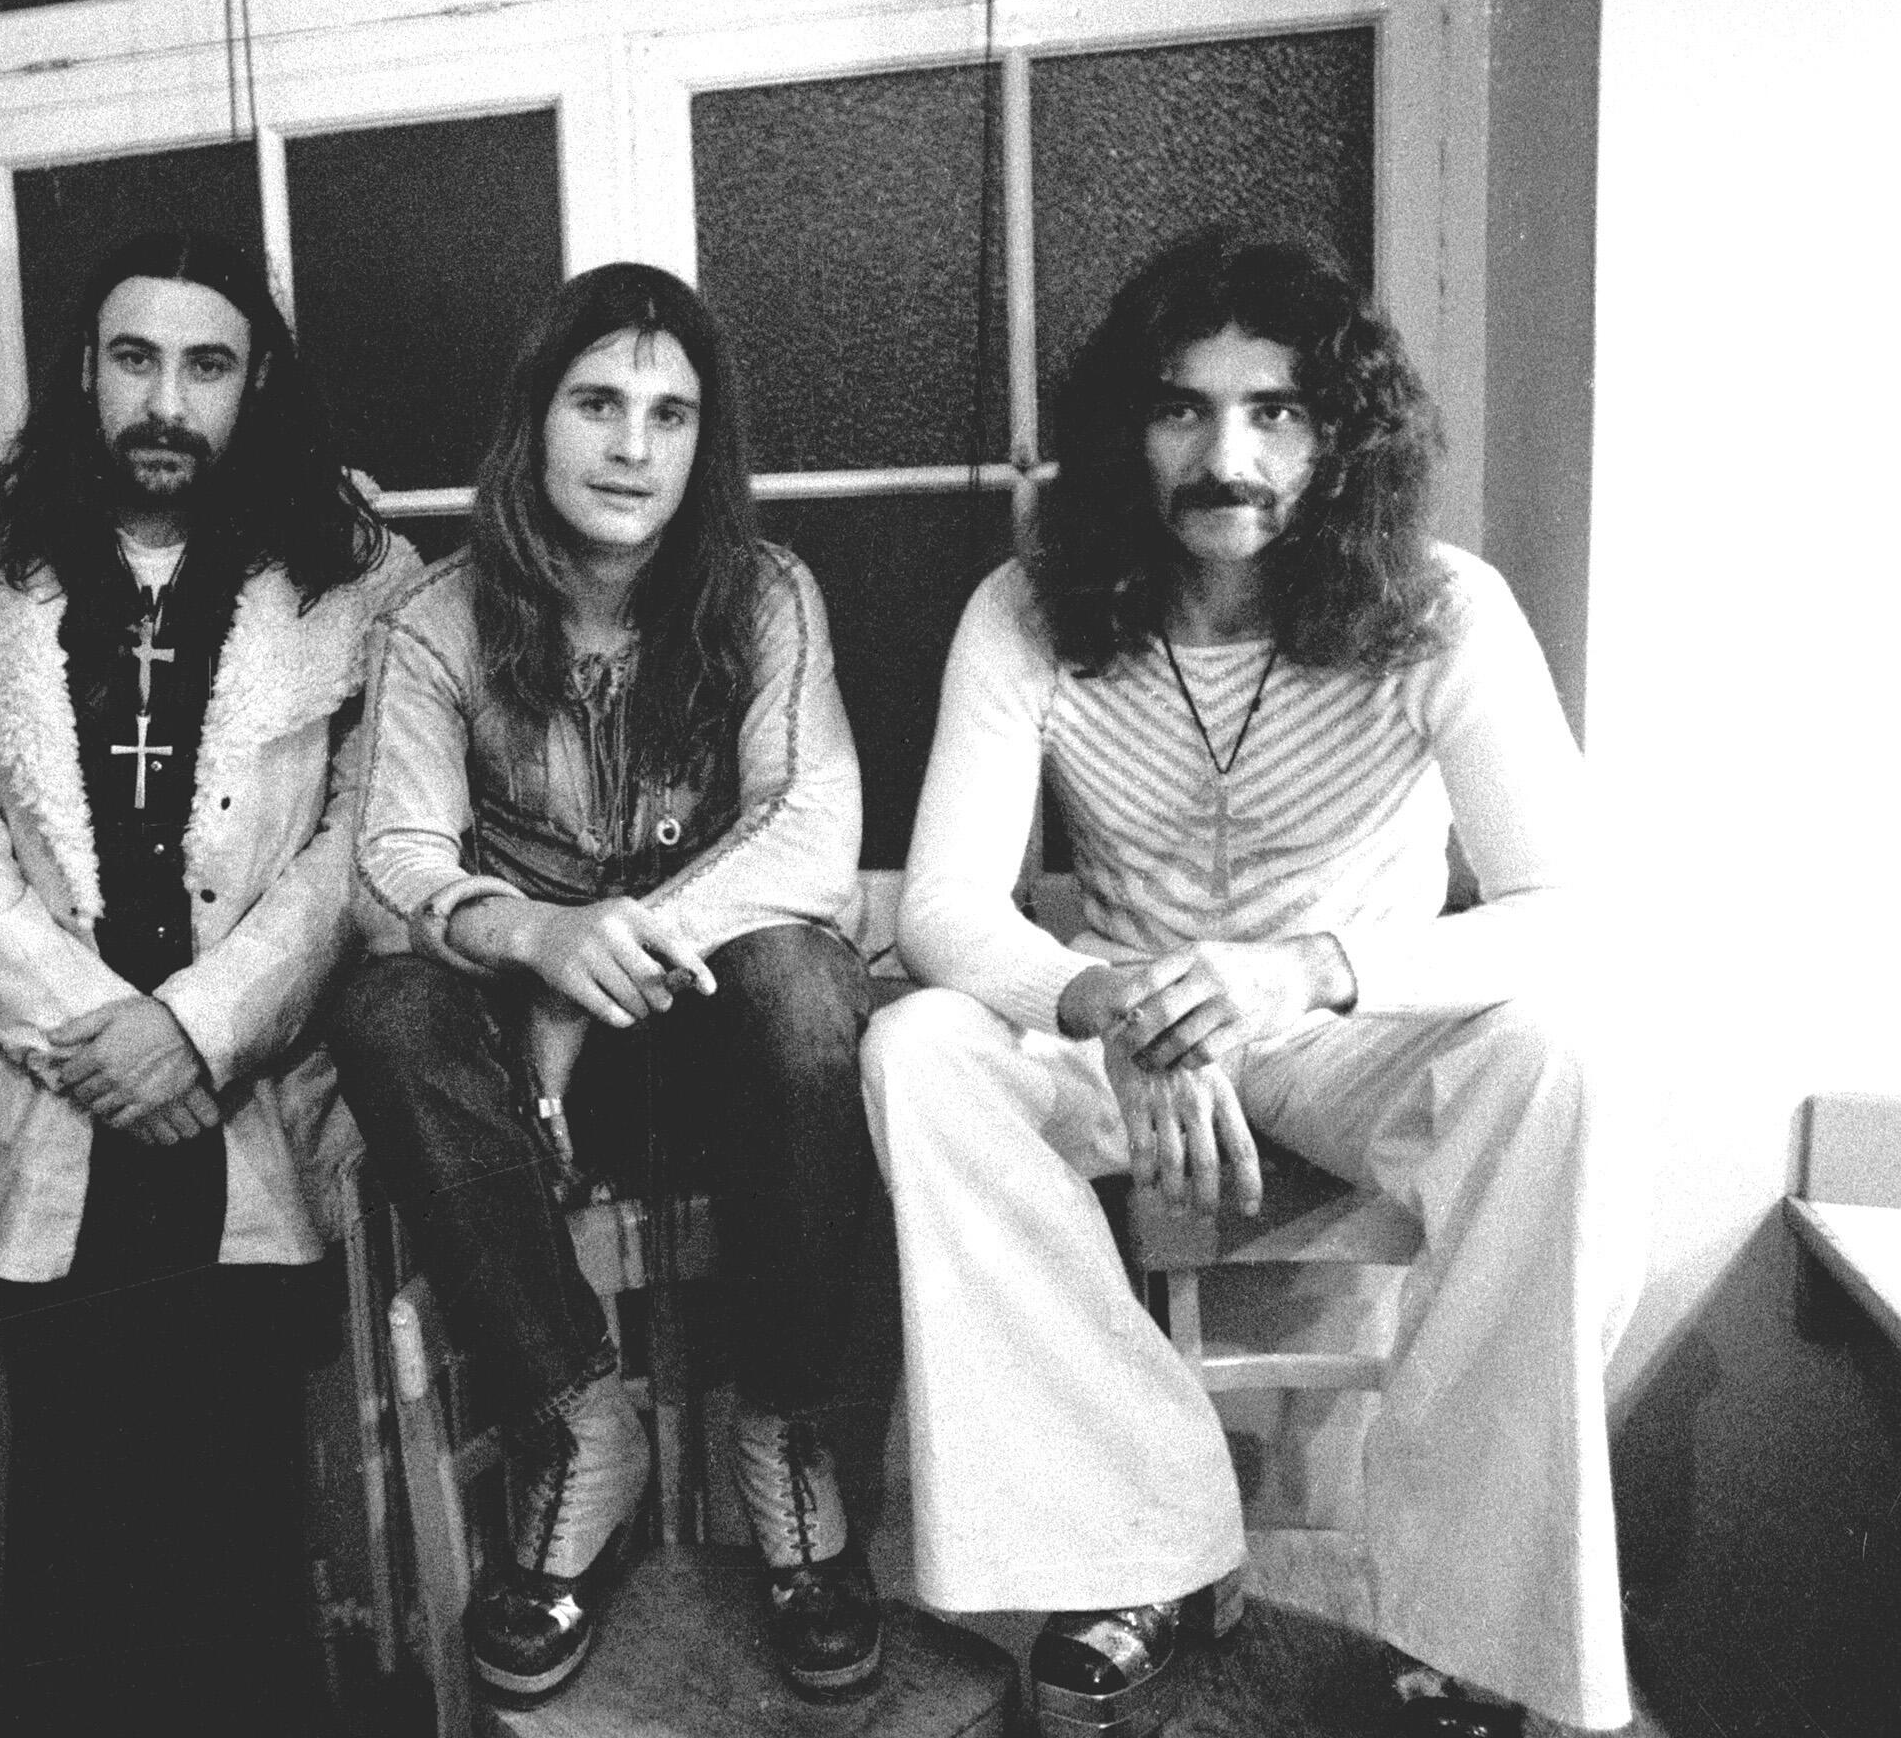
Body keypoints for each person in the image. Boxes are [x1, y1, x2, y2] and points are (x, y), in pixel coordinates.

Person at [866, 230, 1635, 1738]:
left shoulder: (1444, 606)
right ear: (1125, 431)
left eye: (1276, 411)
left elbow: (1572, 912)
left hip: (1346, 1033)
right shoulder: (1029, 608)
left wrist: (1308, 970)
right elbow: (946, 904)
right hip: (1132, 1039)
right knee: (918, 1050)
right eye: (1184, 409)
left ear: (1341, 434)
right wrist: (1107, 1006)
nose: (1229, 457)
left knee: (1566, 1056)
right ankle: (1141, 1544)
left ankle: (1472, 1627)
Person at [328, 263, 886, 1707]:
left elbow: (813, 832)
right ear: (537, 421)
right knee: (385, 1010)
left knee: (806, 984)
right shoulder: (439, 620)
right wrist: (535, 940)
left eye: (670, 414)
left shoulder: (767, 595)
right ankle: (583, 1425)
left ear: (705, 442)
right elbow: (386, 864)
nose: (633, 447)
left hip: (722, 1055)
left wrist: (600, 965)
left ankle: (786, 1437)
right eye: (597, 404)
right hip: (520, 1088)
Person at [0, 227, 417, 1733]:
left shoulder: (353, 579)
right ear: (84, 369)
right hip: (61, 1093)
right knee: (72, 1503)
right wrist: (103, 1037)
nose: (167, 403)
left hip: (244, 1099)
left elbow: (355, 844)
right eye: (135, 359)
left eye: (207, 365)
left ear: (257, 384)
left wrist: (192, 1031)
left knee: (243, 1505)